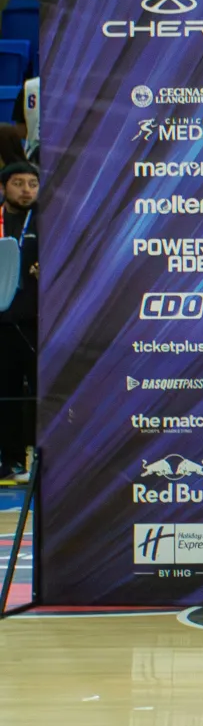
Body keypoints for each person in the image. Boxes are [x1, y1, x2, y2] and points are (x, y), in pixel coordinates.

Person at [0, 161, 32, 486]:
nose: (26, 190)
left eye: (33, 184)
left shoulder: (47, 222)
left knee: (42, 394)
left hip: (37, 323)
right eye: (18, 183)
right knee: (6, 393)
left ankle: (44, 458)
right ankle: (9, 461)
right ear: (4, 186)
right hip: (3, 324)